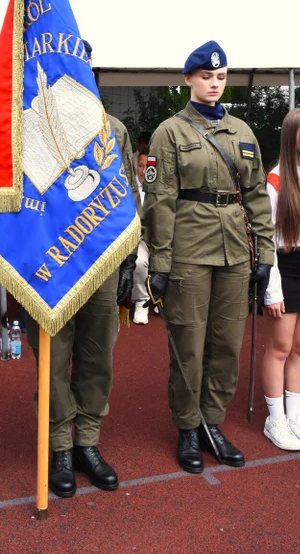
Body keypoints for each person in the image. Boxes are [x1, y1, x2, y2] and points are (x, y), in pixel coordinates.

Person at [143, 40, 274, 473]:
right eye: (205, 76)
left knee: (226, 345)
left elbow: (255, 195)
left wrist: (265, 254)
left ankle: (211, 423)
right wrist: (159, 264)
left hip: (235, 249)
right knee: (190, 345)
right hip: (188, 253)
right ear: (188, 80)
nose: (214, 83)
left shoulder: (243, 132)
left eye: (220, 77)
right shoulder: (170, 132)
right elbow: (159, 202)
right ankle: (187, 427)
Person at [27, 40, 141, 498]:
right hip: (54, 267)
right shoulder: (33, 131)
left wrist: (132, 257)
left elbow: (130, 198)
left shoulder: (112, 128)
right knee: (53, 361)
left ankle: (87, 443)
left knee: (97, 357)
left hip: (102, 263)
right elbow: (25, 207)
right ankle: (58, 447)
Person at [261, 109, 300, 450]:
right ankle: (275, 419)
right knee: (280, 347)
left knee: (299, 348)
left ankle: (295, 414)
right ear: (292, 136)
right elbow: (265, 240)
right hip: (284, 266)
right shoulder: (275, 180)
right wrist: (271, 291)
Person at [131, 150, 150, 324]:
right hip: (140, 239)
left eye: (148, 166)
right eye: (141, 165)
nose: (144, 170)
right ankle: (141, 302)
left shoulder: (161, 188)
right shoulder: (131, 190)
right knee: (139, 261)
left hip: (161, 240)